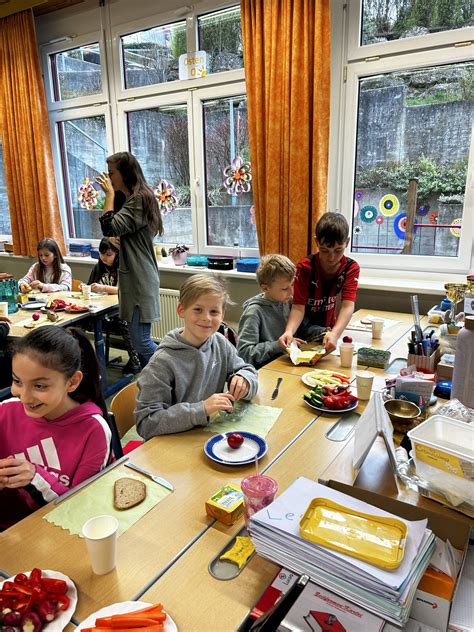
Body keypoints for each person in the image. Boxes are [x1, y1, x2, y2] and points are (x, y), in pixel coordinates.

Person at [0, 326, 112, 529]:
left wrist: (36, 478)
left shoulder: (93, 430)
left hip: (56, 536)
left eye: (40, 386)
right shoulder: (4, 412)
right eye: (17, 381)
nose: (24, 396)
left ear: (72, 382)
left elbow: (78, 509)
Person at [135, 274, 258, 439]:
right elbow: (146, 424)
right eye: (198, 309)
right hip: (172, 443)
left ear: (222, 316)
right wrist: (201, 410)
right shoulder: (162, 362)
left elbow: (247, 369)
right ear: (181, 310)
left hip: (204, 434)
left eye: (214, 311)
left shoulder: (220, 343)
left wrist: (245, 379)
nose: (206, 318)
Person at [96, 152, 162, 368]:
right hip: (137, 277)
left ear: (124, 173)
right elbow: (127, 235)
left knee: (141, 342)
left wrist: (108, 195)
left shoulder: (139, 198)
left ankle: (173, 369)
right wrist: (121, 243)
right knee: (139, 342)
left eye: (112, 173)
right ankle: (152, 386)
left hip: (139, 280)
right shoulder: (135, 198)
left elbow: (108, 226)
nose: (109, 177)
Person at [279, 212, 360, 354]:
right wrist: (289, 331)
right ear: (317, 242)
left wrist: (335, 334)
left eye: (338, 250)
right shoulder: (305, 267)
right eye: (324, 250)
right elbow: (298, 307)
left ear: (346, 242)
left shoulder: (350, 268)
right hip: (304, 331)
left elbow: (348, 306)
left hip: (328, 330)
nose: (331, 257)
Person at [87, 237, 140, 375]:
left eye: (109, 255)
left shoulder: (123, 268)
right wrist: (87, 288)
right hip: (99, 310)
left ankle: (135, 359)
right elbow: (90, 286)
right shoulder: (98, 268)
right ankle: (85, 361)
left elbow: (125, 290)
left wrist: (103, 288)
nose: (104, 258)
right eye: (101, 254)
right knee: (80, 324)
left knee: (123, 320)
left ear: (117, 254)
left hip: (118, 312)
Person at [237, 254, 296, 368]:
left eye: (292, 284)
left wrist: (321, 332)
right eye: (284, 289)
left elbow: (303, 328)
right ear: (265, 288)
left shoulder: (287, 301)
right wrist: (277, 346)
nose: (291, 292)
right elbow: (244, 354)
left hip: (286, 364)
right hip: (265, 371)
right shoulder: (254, 312)